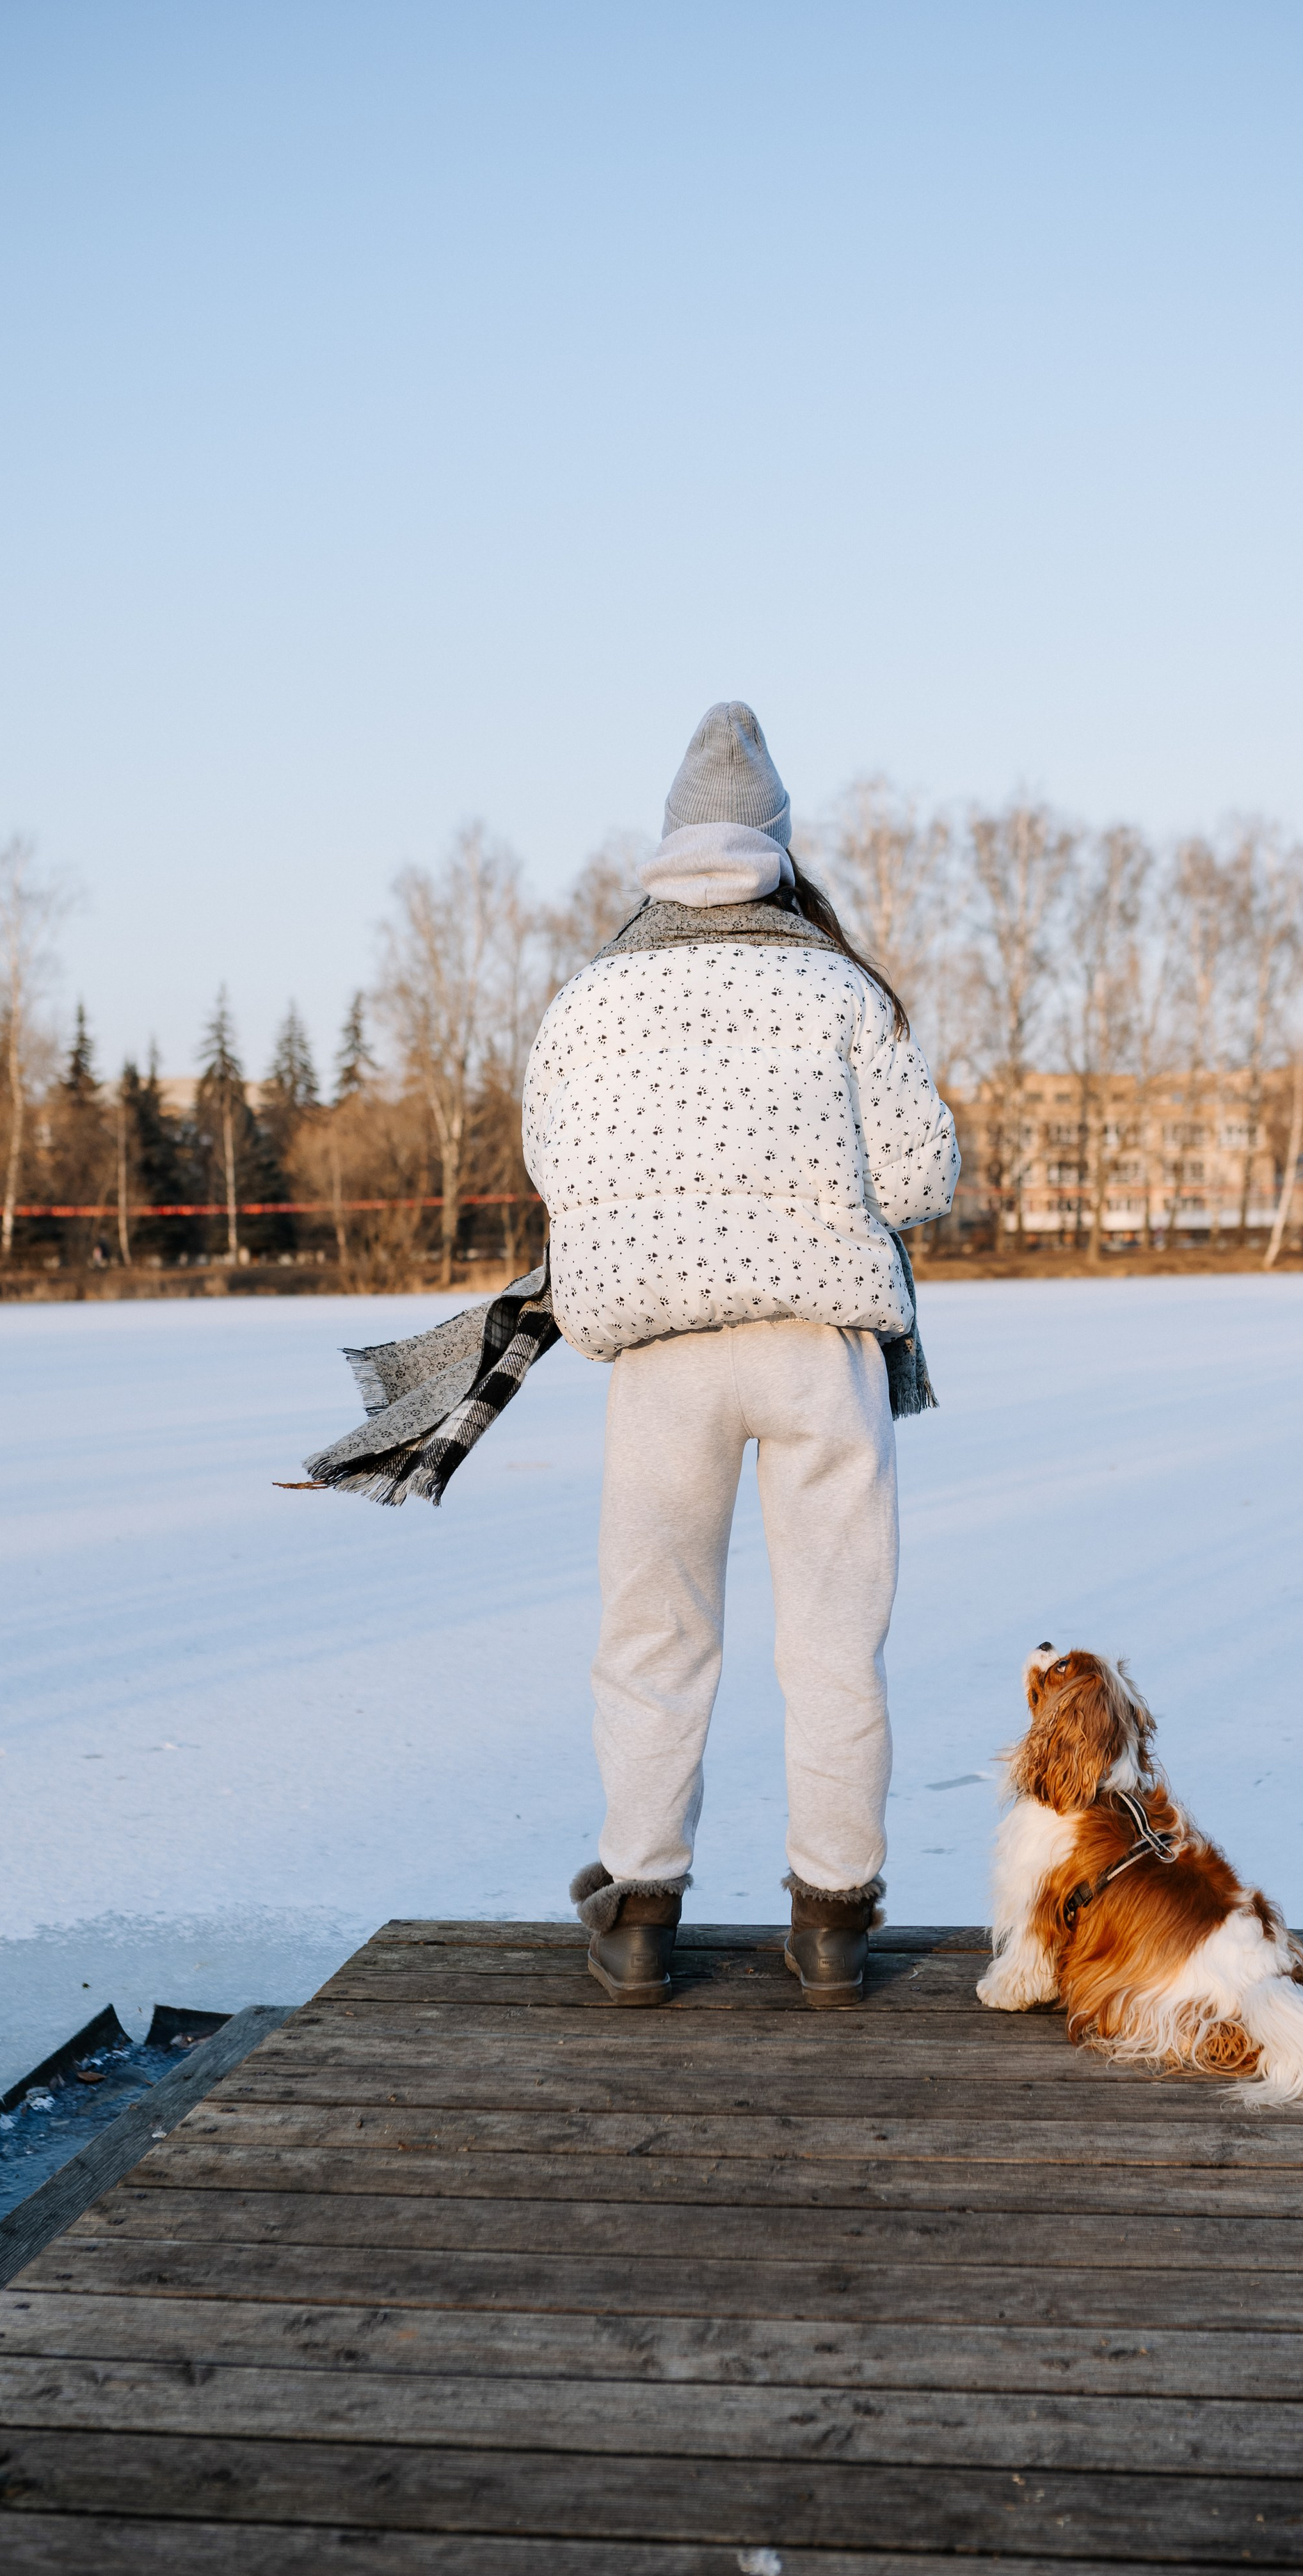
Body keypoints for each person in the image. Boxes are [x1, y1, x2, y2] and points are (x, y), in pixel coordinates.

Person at [522, 704, 959, 2008]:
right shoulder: (838, 986)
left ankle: (641, 1910)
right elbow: (923, 1174)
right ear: (779, 848)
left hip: (661, 1357)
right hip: (820, 1349)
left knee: (654, 1633)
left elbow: (557, 1165)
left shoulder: (589, 997)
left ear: (669, 844)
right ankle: (832, 1921)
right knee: (834, 1639)